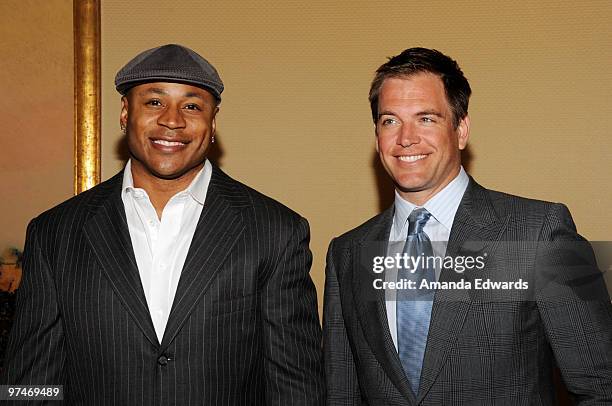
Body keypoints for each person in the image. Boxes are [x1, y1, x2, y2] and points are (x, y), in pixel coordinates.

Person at [2, 44, 324, 405]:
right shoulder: (54, 233)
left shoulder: (275, 231)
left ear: (212, 123)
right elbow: (29, 383)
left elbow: (297, 386)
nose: (173, 120)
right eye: (154, 102)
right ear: (125, 114)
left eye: (192, 105)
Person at [323, 47, 612, 405]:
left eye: (426, 118)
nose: (405, 137)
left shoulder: (539, 232)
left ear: (461, 130)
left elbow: (602, 387)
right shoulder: (347, 252)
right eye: (390, 120)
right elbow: (341, 393)